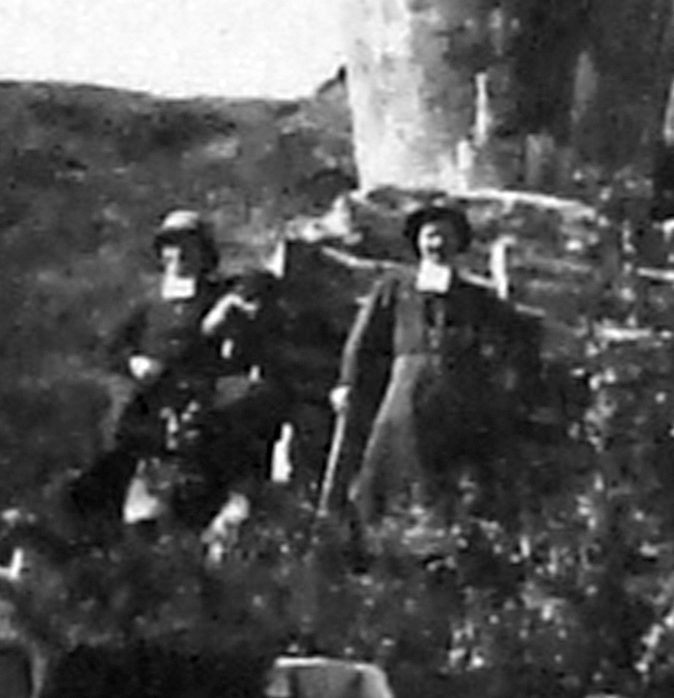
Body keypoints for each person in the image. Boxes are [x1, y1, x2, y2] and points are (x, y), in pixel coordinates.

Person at [326, 198, 542, 528]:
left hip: (458, 388)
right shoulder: (394, 287)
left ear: (457, 244)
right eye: (430, 236)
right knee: (395, 459)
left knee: (455, 469)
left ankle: (450, 528)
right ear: (418, 242)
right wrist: (347, 382)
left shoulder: (474, 296)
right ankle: (384, 529)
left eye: (445, 237)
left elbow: (513, 335)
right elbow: (364, 341)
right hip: (407, 385)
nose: (437, 244)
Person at [65, 209, 281, 536]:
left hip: (202, 404)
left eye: (188, 246)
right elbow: (109, 349)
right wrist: (134, 362)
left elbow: (261, 279)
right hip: (151, 407)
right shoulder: (150, 306)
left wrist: (227, 306)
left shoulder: (216, 293)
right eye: (171, 246)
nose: (178, 254)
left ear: (205, 254)